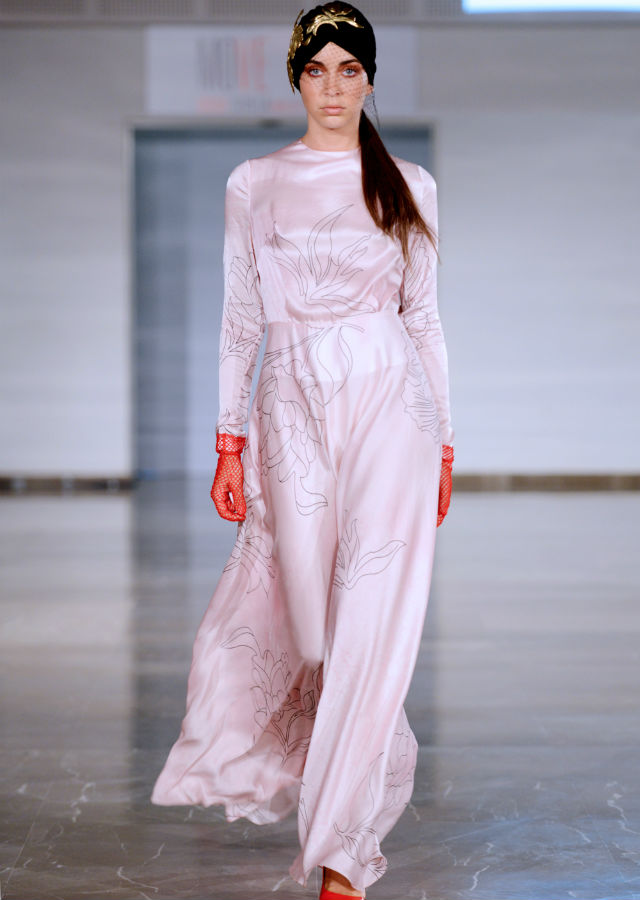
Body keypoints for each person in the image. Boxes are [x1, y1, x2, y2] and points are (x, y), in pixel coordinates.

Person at [151, 3, 454, 898]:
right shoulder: (254, 182)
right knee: (313, 630)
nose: (332, 86)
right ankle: (318, 780)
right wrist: (228, 441)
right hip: (290, 407)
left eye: (348, 69)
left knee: (373, 623)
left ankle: (342, 855)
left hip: (393, 406)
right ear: (295, 79)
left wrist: (445, 443)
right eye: (316, 69)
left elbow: (426, 321)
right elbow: (240, 320)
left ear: (369, 79)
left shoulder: (410, 184)